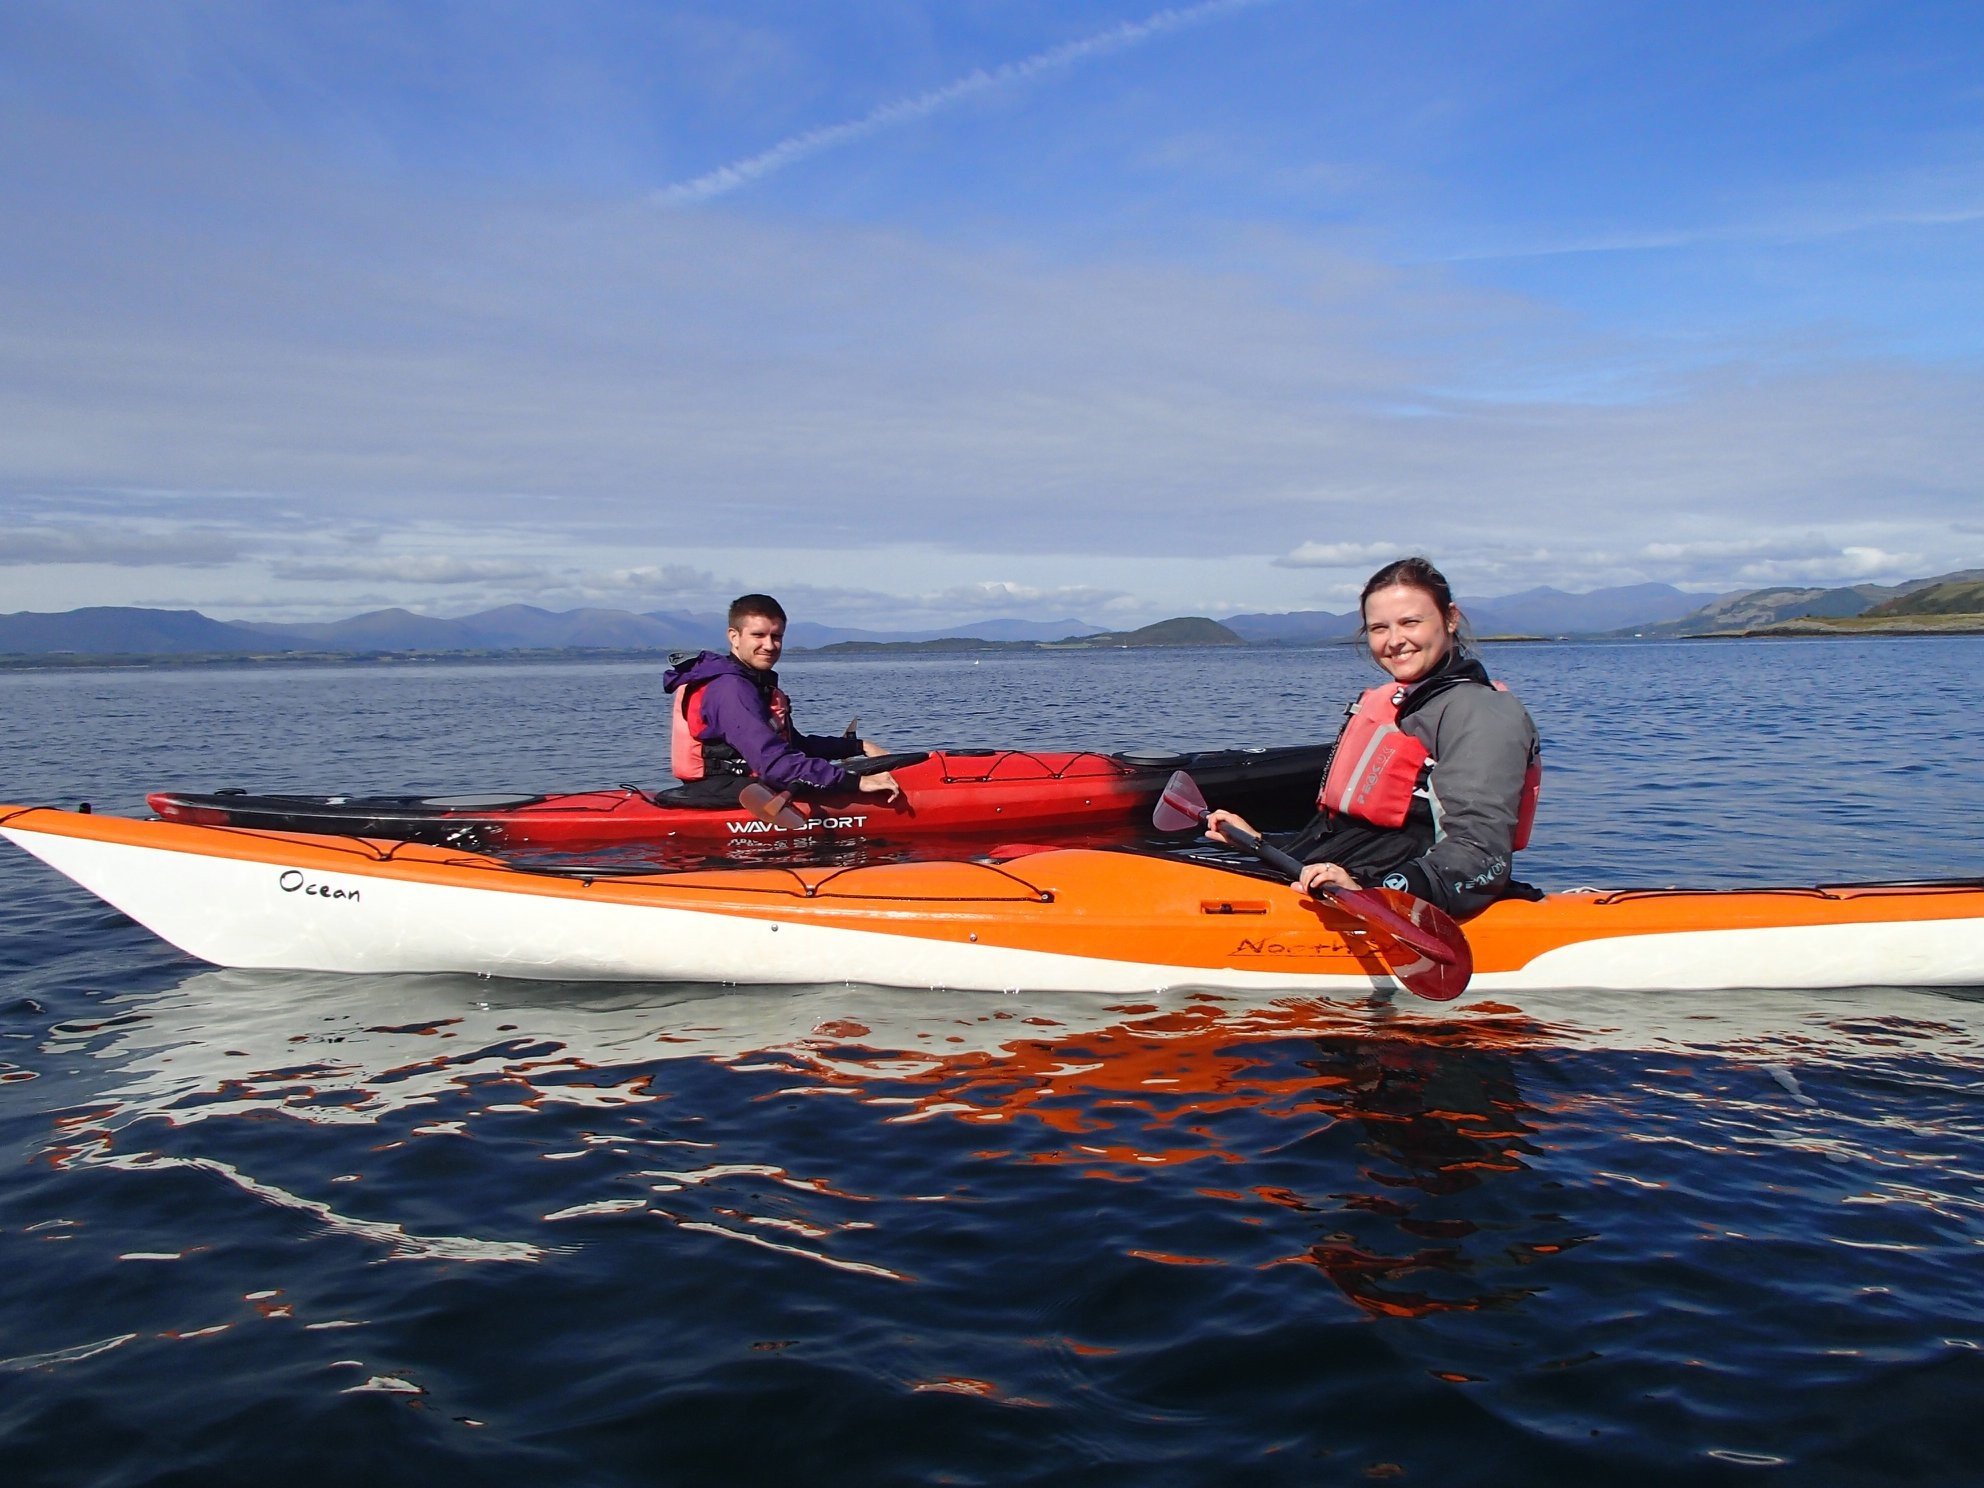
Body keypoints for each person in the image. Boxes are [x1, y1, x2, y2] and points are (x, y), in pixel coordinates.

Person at [1205, 556, 1540, 919]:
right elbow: (1358, 841)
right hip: (1332, 882)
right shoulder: (1407, 704)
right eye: (1379, 628)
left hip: (1394, 899)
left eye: (1410, 622)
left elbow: (1480, 853)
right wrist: (1260, 842)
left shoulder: (1480, 713)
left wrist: (1379, 892)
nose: (1395, 641)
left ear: (1450, 618)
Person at [661, 594, 901, 804]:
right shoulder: (730, 689)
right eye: (758, 635)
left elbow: (796, 747)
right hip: (727, 794)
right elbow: (775, 764)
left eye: (777, 636)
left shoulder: (754, 683)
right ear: (734, 637)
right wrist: (856, 783)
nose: (769, 645)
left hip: (746, 787)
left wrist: (858, 746)